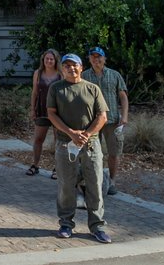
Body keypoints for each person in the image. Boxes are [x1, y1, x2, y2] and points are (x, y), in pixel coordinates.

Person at [47, 53, 111, 243]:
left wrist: (87, 134)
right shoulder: (56, 89)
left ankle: (97, 227)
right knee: (66, 186)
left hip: (91, 146)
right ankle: (66, 224)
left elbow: (102, 116)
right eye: (66, 66)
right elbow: (51, 114)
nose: (71, 68)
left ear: (81, 67)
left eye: (74, 65)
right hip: (65, 145)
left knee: (95, 186)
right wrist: (71, 133)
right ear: (62, 69)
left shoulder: (92, 88)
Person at [82, 47, 129, 196]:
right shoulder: (84, 76)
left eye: (99, 57)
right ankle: (95, 180)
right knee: (93, 153)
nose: (96, 60)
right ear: (89, 59)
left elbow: (123, 96)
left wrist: (125, 116)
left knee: (114, 153)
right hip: (92, 121)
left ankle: (112, 182)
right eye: (93, 57)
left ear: (104, 58)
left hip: (112, 121)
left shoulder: (114, 75)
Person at [27, 48, 62, 178]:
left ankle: (57, 168)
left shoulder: (60, 73)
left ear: (55, 60)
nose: (48, 61)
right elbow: (34, 92)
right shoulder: (38, 73)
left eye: (51, 59)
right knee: (38, 139)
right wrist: (32, 109)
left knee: (58, 140)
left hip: (57, 111)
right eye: (46, 59)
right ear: (43, 60)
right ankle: (35, 165)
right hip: (41, 109)